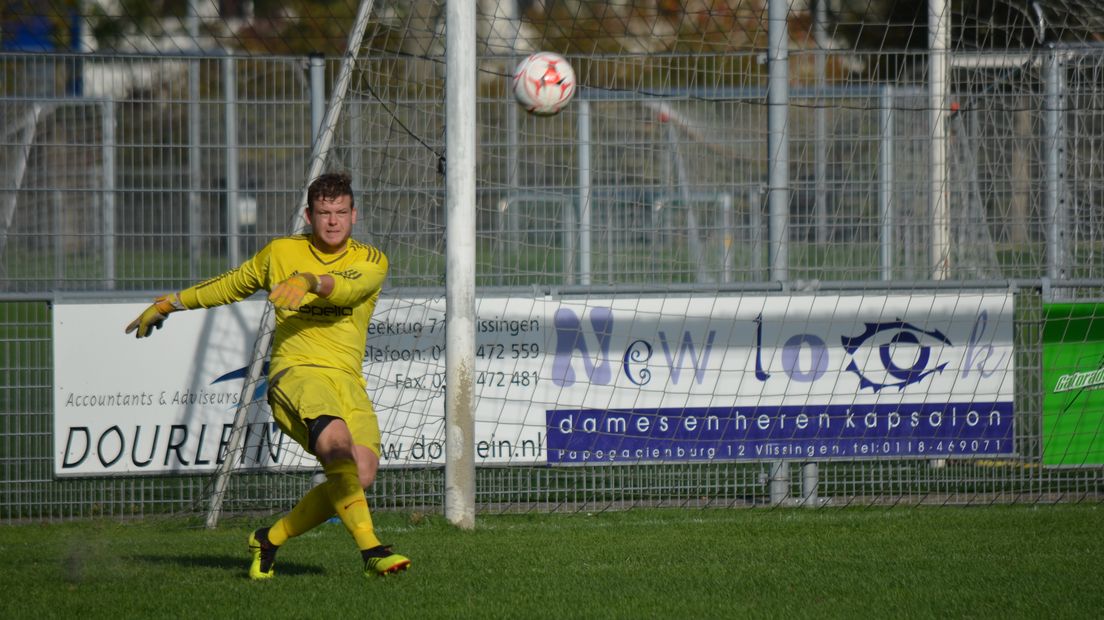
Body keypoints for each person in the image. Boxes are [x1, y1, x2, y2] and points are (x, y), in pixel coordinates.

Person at [125, 172, 410, 579]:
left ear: (354, 214)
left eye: (341, 213)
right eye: (324, 213)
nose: (333, 222)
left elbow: (347, 289)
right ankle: (372, 551)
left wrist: (310, 281)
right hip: (296, 374)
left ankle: (269, 538)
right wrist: (170, 304)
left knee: (360, 475)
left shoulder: (371, 259)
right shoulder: (280, 253)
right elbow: (230, 284)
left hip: (348, 380)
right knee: (337, 447)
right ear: (308, 215)